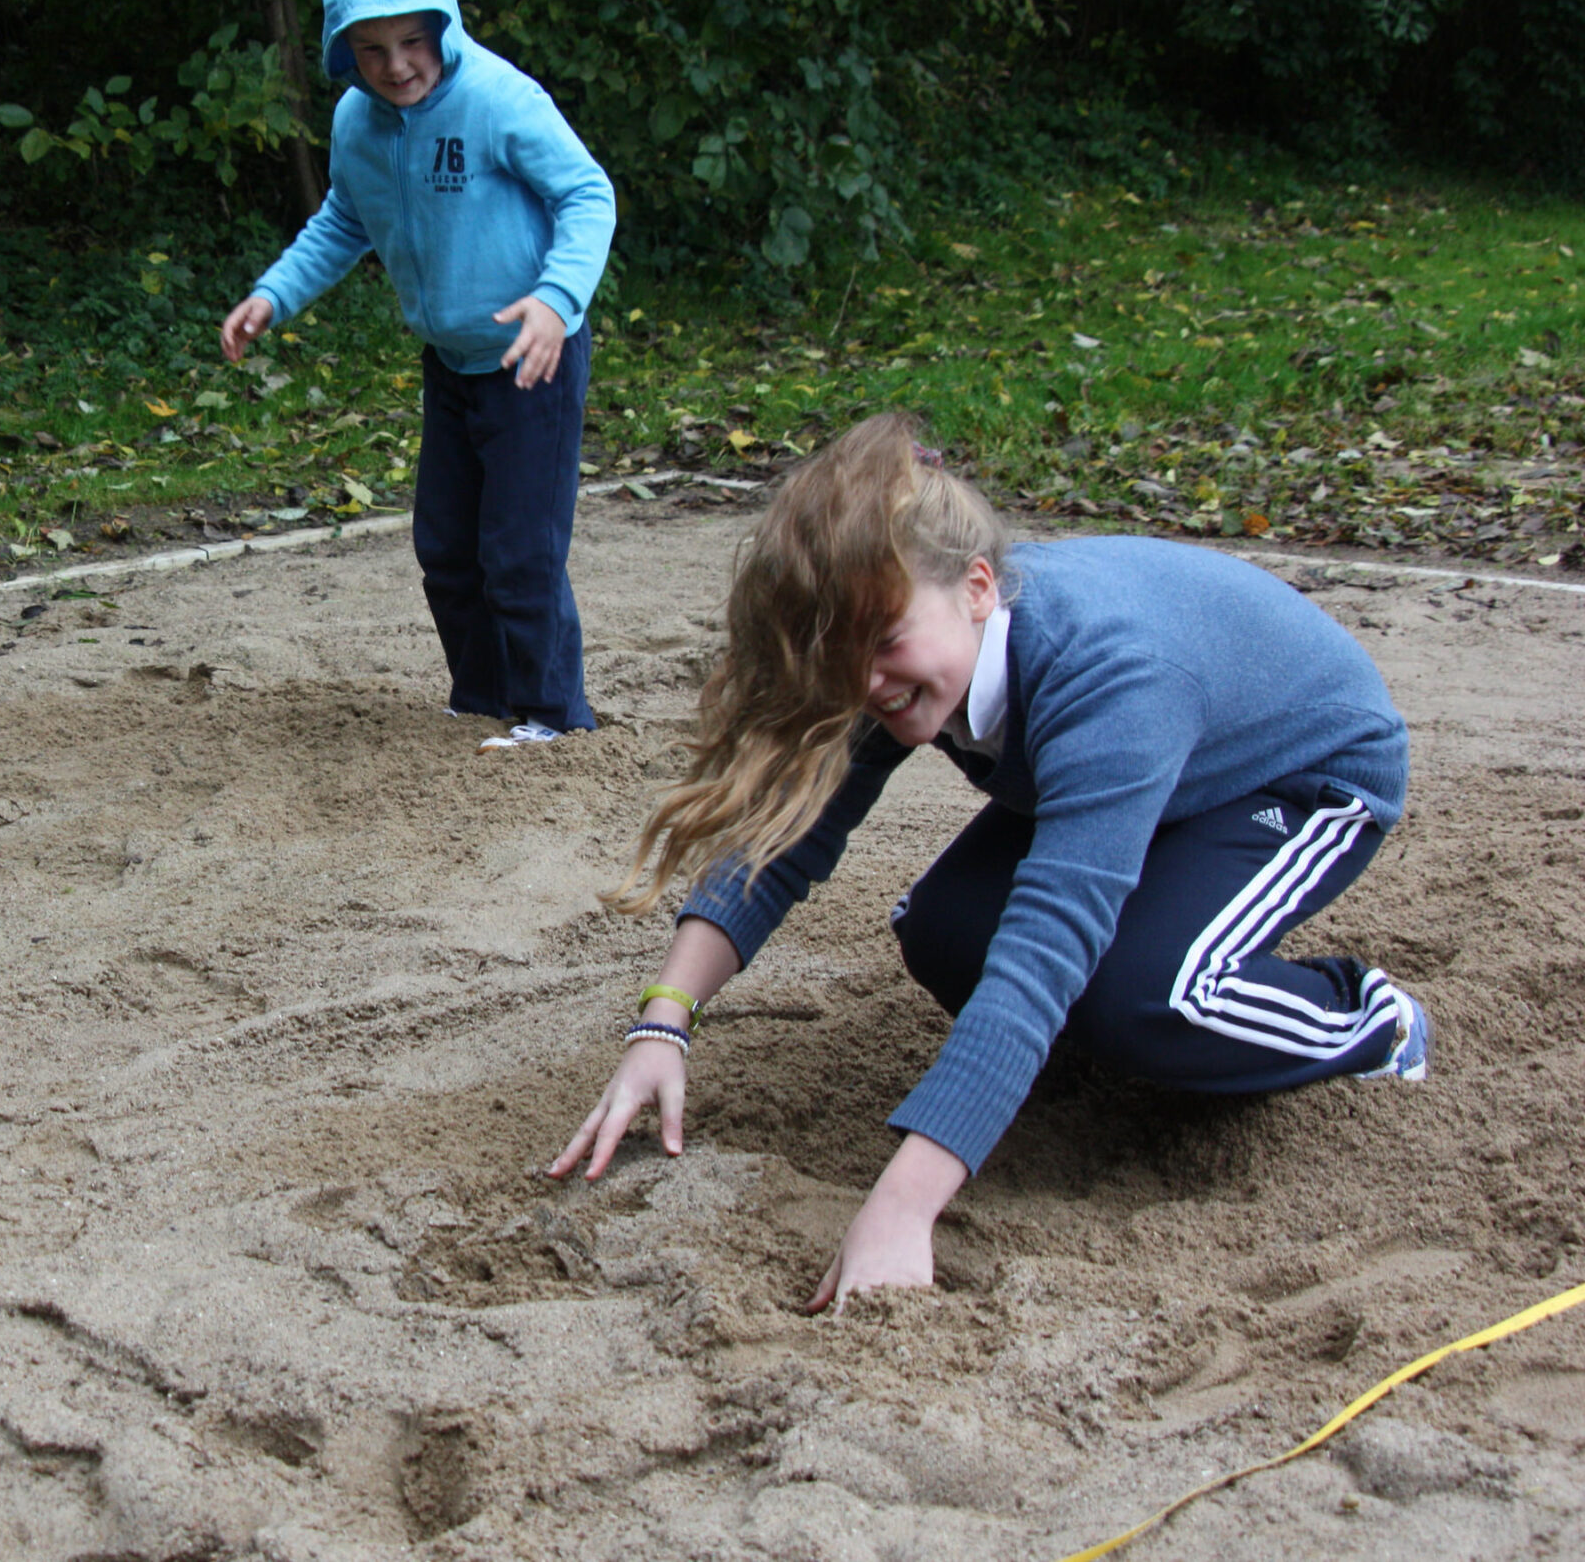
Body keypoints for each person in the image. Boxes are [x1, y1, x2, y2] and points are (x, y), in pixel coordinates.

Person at [548, 412, 1426, 1311]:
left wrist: (899, 1207)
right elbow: (785, 838)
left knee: (1151, 993)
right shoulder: (885, 650)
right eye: (848, 660)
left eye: (888, 643)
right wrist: (663, 1021)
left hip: (1297, 774)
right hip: (1125, 777)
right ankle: (1074, 1051)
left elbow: (1046, 951)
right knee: (943, 932)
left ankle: (1370, 1020)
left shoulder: (1108, 677)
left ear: (977, 589)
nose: (870, 684)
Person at [220, 0, 615, 745]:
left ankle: (552, 714)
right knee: (444, 541)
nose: (397, 64)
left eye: (411, 40)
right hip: (452, 360)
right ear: (343, 53)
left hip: (531, 354)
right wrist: (273, 296)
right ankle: (483, 694)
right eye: (371, 49)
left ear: (443, 23)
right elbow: (341, 222)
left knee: (520, 548)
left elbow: (588, 194)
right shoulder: (358, 125)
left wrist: (555, 298)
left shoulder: (499, 99)